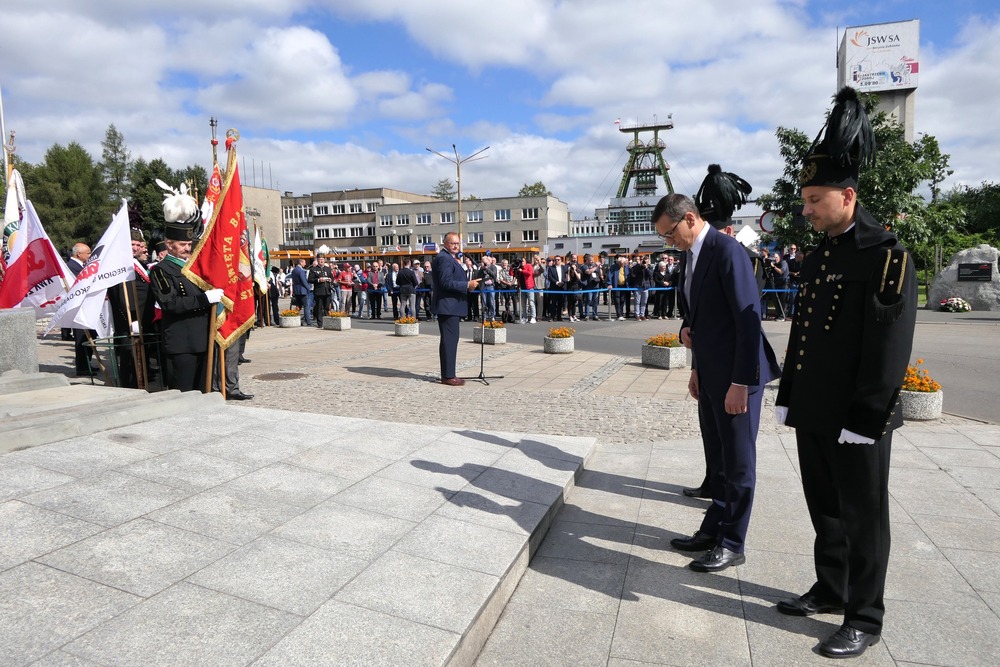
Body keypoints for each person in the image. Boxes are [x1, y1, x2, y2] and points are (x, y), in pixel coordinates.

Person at [774, 87, 917, 659]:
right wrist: (791, 394)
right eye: (804, 199)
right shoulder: (821, 254)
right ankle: (830, 588)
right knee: (824, 508)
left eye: (813, 199)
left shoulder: (886, 254)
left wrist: (866, 417)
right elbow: (805, 334)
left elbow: (888, 349)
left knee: (863, 516)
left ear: (847, 196)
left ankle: (865, 614)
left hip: (858, 416)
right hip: (814, 409)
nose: (805, 209)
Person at [654, 183, 779, 574]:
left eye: (670, 233)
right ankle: (713, 529)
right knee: (719, 459)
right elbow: (698, 316)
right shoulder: (691, 255)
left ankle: (732, 542)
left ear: (690, 218)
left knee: (739, 462)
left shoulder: (727, 251)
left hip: (738, 376)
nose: (668, 242)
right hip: (710, 372)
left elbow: (747, 319)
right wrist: (692, 358)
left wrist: (742, 381)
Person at [148, 183, 223, 392]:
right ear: (169, 244)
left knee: (204, 391)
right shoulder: (161, 270)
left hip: (204, 339)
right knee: (184, 393)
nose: (187, 249)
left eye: (189, 245)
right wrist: (204, 299)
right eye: (182, 245)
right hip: (182, 343)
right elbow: (170, 304)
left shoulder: (195, 268)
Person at [432, 232, 480, 386]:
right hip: (448, 306)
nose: (456, 246)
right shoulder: (444, 258)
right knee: (449, 341)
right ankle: (448, 376)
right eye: (452, 243)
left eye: (458, 243)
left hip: (451, 306)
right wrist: (466, 285)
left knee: (450, 341)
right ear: (445, 243)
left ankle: (448, 373)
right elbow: (446, 283)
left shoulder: (449, 258)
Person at [308, 255, 334, 327]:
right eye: (320, 260)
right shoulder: (313, 269)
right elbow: (310, 279)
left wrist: (331, 280)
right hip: (319, 291)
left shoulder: (327, 269)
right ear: (317, 260)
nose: (321, 261)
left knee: (327, 307)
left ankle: (327, 322)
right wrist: (318, 280)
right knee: (319, 307)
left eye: (322, 259)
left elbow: (332, 277)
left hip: (327, 291)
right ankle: (320, 323)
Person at [290, 259, 313, 325]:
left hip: (296, 291)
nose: (305, 264)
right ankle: (308, 321)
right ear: (301, 262)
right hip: (303, 291)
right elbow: (303, 281)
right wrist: (308, 288)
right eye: (304, 262)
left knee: (298, 306)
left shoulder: (294, 270)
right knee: (306, 306)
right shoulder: (301, 271)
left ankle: (294, 318)